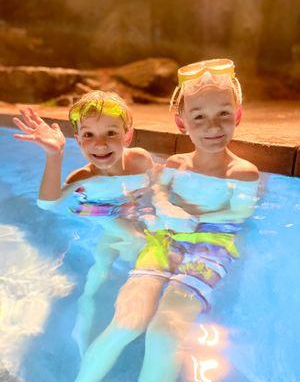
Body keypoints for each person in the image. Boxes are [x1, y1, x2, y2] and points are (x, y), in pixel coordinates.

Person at [74, 59, 259, 382]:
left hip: (210, 246)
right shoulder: (175, 163)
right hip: (166, 237)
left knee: (164, 332)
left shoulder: (242, 172)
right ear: (181, 122)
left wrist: (194, 217)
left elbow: (240, 212)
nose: (212, 127)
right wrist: (166, 209)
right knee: (127, 321)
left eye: (223, 114)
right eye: (199, 116)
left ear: (238, 116)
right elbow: (158, 193)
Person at [12, 90, 154, 356]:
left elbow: (155, 189)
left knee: (135, 250)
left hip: (131, 216)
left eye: (110, 133)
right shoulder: (82, 179)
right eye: (88, 135)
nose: (99, 144)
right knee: (97, 277)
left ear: (128, 135)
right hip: (103, 219)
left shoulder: (140, 160)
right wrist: (55, 155)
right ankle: (84, 337)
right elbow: (48, 203)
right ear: (77, 140)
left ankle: (137, 316)